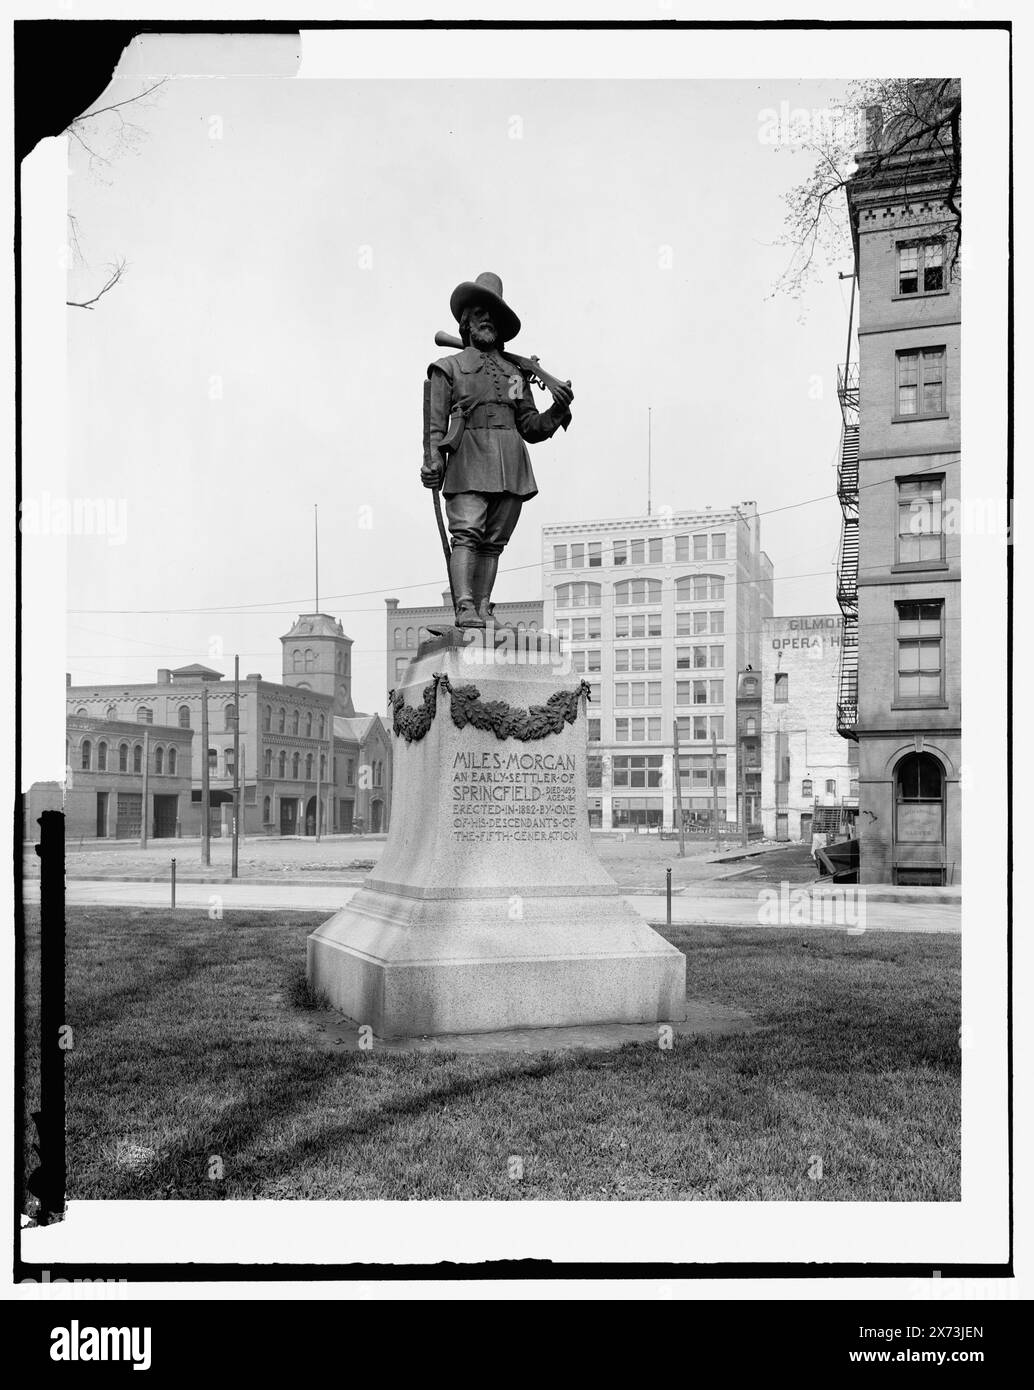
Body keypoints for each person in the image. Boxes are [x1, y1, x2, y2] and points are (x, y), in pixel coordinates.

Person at [422, 272, 574, 628]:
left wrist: (558, 409)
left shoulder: (515, 373)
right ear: (466, 321)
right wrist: (432, 459)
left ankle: (484, 606)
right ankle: (464, 606)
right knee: (468, 533)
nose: (487, 319)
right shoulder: (448, 368)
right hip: (468, 460)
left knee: (493, 542)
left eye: (494, 315)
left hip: (511, 463)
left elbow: (530, 426)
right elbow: (434, 426)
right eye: (479, 313)